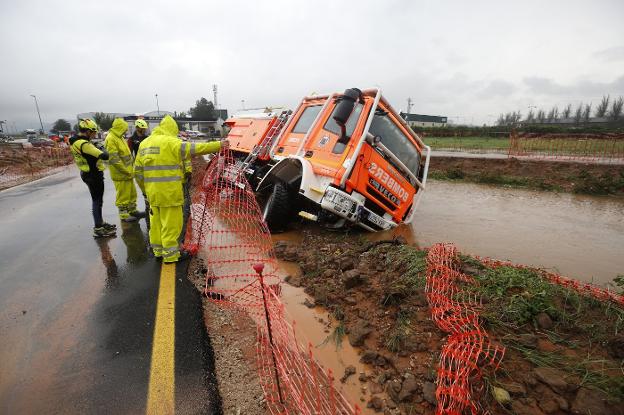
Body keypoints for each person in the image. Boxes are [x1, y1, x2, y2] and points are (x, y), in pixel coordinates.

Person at [134, 115, 228, 263]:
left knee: (156, 223)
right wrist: (219, 145)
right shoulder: (172, 143)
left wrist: (145, 191)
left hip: (152, 193)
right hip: (170, 193)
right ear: (172, 129)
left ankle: (158, 251)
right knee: (171, 225)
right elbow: (197, 148)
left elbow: (137, 172)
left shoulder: (144, 144)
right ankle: (171, 255)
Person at [69, 118, 116, 238]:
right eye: (94, 132)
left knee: (98, 201)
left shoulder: (76, 141)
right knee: (97, 201)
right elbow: (105, 156)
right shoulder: (84, 144)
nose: (95, 135)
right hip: (93, 175)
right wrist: (100, 146)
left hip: (87, 173)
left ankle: (100, 222)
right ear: (88, 131)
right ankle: (98, 228)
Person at [104, 118, 145, 222]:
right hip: (120, 174)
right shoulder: (111, 139)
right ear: (119, 128)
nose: (126, 131)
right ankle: (124, 215)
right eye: (124, 129)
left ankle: (132, 210)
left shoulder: (119, 137)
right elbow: (114, 159)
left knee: (131, 193)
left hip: (127, 172)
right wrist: (125, 170)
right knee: (123, 195)